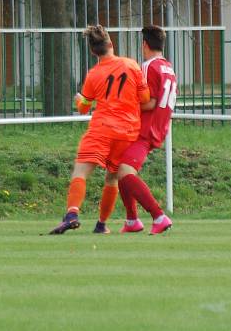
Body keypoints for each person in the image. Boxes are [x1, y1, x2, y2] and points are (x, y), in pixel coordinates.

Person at [49, 25, 150, 235]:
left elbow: (84, 108)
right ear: (111, 44)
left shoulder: (94, 74)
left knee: (81, 172)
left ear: (93, 52)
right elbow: (145, 99)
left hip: (102, 128)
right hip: (128, 131)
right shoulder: (131, 65)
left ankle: (72, 214)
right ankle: (101, 225)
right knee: (112, 178)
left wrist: (79, 100)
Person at [115, 25, 175, 235]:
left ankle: (159, 216)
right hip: (158, 126)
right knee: (118, 167)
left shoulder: (149, 66)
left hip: (144, 128)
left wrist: (121, 104)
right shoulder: (168, 67)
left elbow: (149, 102)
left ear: (144, 44)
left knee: (124, 171)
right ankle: (132, 220)